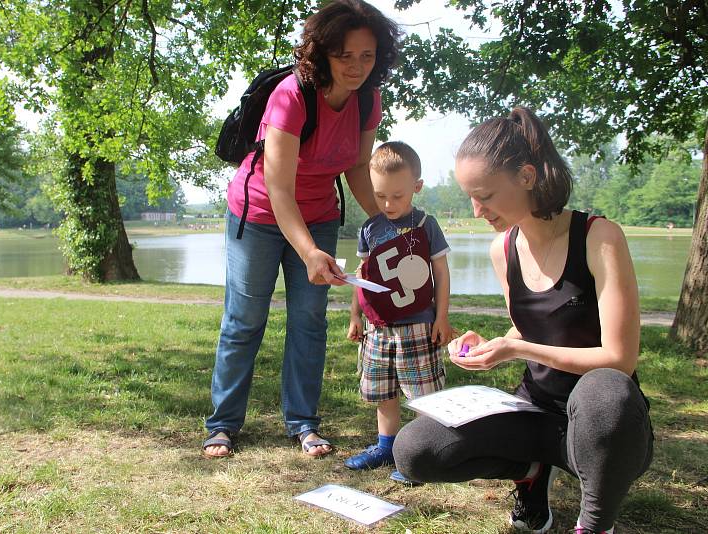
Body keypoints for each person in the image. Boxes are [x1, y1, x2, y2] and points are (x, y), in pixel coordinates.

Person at [393, 107, 654, 534]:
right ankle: (532, 472)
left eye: (486, 195)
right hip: (536, 415)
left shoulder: (599, 236)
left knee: (606, 391)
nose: (477, 210)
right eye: (470, 197)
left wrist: (517, 348)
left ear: (528, 177)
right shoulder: (504, 249)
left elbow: (619, 359)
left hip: (607, 425)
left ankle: (594, 524)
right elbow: (530, 327)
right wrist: (493, 344)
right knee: (416, 450)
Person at [202, 0, 401, 459]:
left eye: (367, 56)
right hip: (258, 215)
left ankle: (303, 424)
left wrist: (389, 223)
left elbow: (355, 168)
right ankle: (224, 425)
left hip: (320, 214)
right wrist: (310, 252)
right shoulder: (292, 95)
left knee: (309, 321)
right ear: (322, 53)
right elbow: (279, 188)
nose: (356, 66)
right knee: (244, 321)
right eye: (345, 55)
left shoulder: (368, 100)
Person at [343, 141, 452, 482]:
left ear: (416, 187)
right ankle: (386, 446)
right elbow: (361, 277)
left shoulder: (426, 224)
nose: (388, 204)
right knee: (384, 392)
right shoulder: (368, 229)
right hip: (378, 328)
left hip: (418, 326)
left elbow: (442, 273)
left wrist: (442, 317)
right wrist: (355, 316)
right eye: (380, 196)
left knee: (423, 394)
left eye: (397, 196)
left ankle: (424, 454)